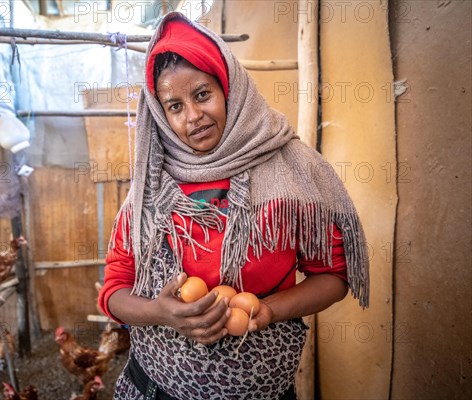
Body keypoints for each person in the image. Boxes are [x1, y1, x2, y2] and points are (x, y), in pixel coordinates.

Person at [98, 12, 369, 400]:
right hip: (155, 387)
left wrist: (270, 310)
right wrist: (162, 313)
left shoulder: (290, 171)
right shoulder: (151, 183)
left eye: (202, 94)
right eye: (174, 106)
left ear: (229, 87)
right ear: (161, 114)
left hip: (259, 388)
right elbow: (114, 290)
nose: (192, 116)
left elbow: (333, 277)